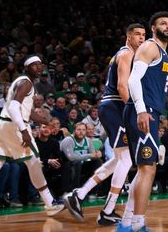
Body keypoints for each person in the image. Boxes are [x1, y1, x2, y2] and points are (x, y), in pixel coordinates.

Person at [63, 22, 145, 224]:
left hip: (112, 107)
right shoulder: (126, 54)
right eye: (137, 34)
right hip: (115, 106)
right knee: (126, 160)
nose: (142, 38)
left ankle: (79, 195)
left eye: (144, 35)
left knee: (119, 160)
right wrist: (135, 112)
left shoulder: (129, 56)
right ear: (128, 36)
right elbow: (122, 87)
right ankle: (107, 210)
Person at [0, 56, 65, 223]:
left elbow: (24, 110)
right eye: (34, 65)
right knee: (35, 162)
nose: (38, 67)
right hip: (15, 127)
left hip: (3, 125)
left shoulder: (21, 83)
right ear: (26, 67)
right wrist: (24, 131)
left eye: (40, 65)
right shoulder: (26, 83)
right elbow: (15, 107)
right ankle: (50, 203)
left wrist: (45, 121)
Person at [116, 12, 168, 232]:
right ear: (153, 28)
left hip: (149, 111)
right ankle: (137, 224)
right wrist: (141, 111)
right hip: (142, 111)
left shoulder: (162, 52)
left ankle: (126, 224)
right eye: (162, 23)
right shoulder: (150, 47)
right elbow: (132, 79)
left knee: (144, 169)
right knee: (147, 168)